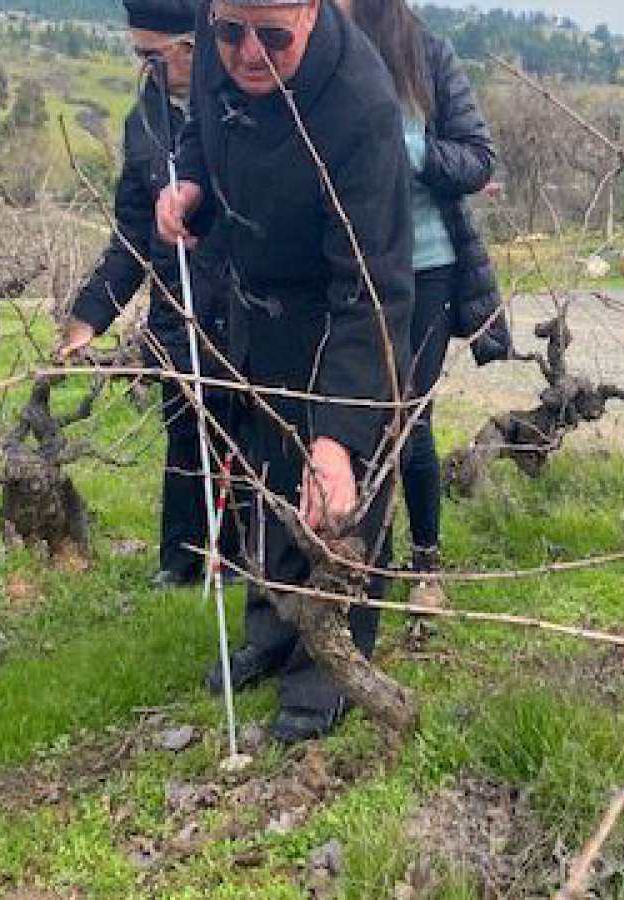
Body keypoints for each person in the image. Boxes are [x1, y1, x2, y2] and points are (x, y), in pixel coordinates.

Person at [156, 0, 414, 743]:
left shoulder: (361, 104)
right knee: (264, 483)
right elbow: (202, 133)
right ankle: (270, 631)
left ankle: (325, 671)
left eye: (273, 37)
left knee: (334, 501)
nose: (246, 54)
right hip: (251, 311)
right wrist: (191, 187)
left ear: (312, 9)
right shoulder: (222, 43)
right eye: (230, 31)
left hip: (340, 315)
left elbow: (373, 288)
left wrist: (338, 435)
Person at [59, 0, 240, 588]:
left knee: (247, 432)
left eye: (151, 56)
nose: (144, 69)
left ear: (192, 47)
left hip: (242, 303)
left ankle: (247, 559)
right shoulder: (143, 121)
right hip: (174, 305)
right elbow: (132, 235)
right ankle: (183, 560)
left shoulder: (245, 105)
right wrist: (90, 316)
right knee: (185, 430)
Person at [339, 0, 511, 612]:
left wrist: (406, 152)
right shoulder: (319, 51)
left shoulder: (427, 55)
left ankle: (425, 568)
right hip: (346, 269)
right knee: (351, 418)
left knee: (409, 420)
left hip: (427, 269)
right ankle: (361, 562)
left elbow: (476, 158)